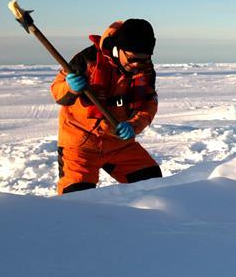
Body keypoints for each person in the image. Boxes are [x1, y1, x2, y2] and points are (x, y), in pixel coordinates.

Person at [50, 19, 162, 194]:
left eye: (144, 60)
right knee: (76, 199)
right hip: (80, 145)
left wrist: (134, 125)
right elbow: (58, 93)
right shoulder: (87, 60)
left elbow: (149, 103)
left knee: (153, 184)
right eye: (132, 59)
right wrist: (70, 88)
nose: (136, 65)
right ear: (118, 49)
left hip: (119, 143)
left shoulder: (145, 70)